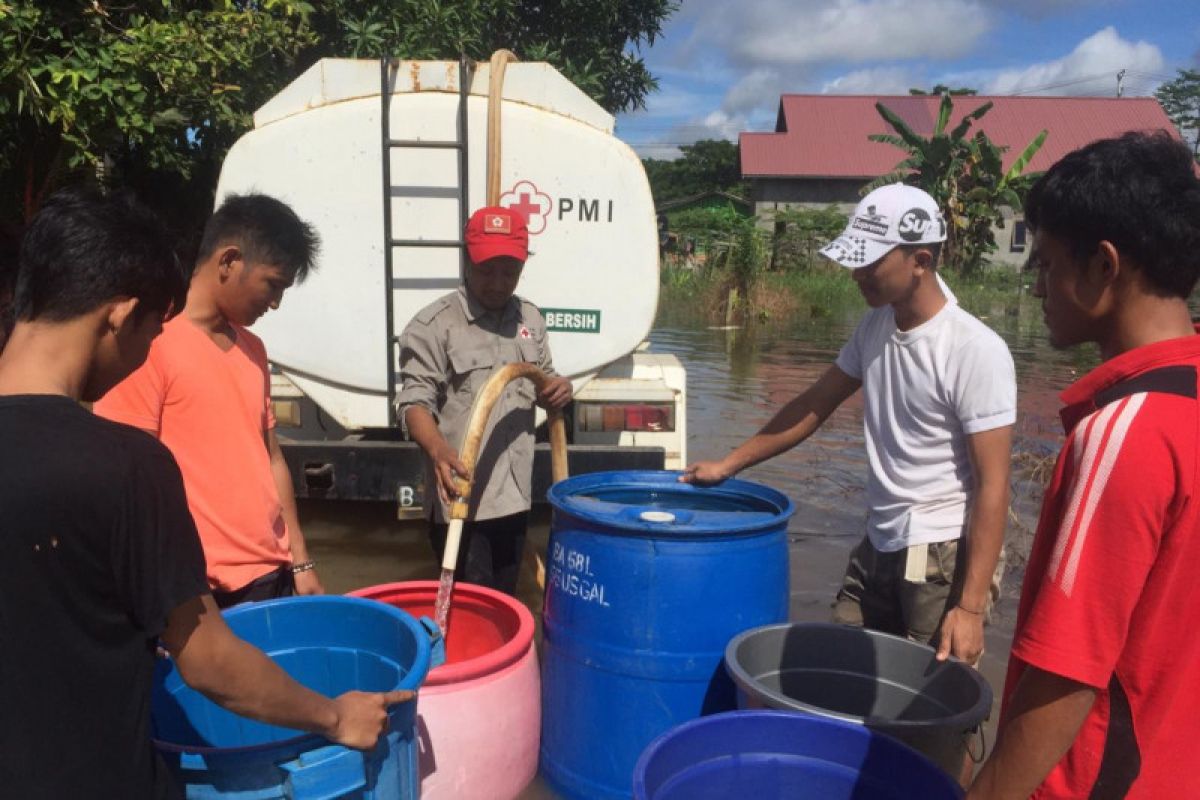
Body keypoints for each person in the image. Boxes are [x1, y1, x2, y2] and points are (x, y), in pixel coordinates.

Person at [0, 187, 411, 799]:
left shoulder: (246, 357)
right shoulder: (125, 465)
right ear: (119, 315)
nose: (143, 355)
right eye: (147, 331)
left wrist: (297, 557)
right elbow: (210, 661)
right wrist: (335, 715)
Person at [683, 183, 1015, 666]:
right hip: (879, 536)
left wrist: (968, 606)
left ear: (920, 261)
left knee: (932, 705)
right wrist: (729, 464)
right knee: (846, 667)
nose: (855, 274)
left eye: (870, 262)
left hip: (938, 554)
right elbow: (814, 405)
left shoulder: (973, 349)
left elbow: (994, 484)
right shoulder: (876, 327)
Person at [968, 132, 1200, 799]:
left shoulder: (1124, 434)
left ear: (1103, 266)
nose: (1038, 287)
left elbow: (1066, 671)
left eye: (1044, 263)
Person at [94, 194, 324, 607]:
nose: (275, 303)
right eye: (273, 284)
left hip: (272, 574)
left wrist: (301, 561)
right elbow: (127, 479)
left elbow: (271, 459)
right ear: (229, 261)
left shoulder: (254, 350)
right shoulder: (148, 343)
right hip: (198, 588)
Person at [396, 206, 572, 595]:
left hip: (515, 494)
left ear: (522, 267)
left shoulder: (530, 319)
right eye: (486, 269)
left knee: (507, 600)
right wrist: (439, 450)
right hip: (462, 500)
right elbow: (413, 403)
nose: (497, 282)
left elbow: (545, 376)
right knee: (468, 606)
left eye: (508, 271)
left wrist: (558, 389)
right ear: (467, 259)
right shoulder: (433, 325)